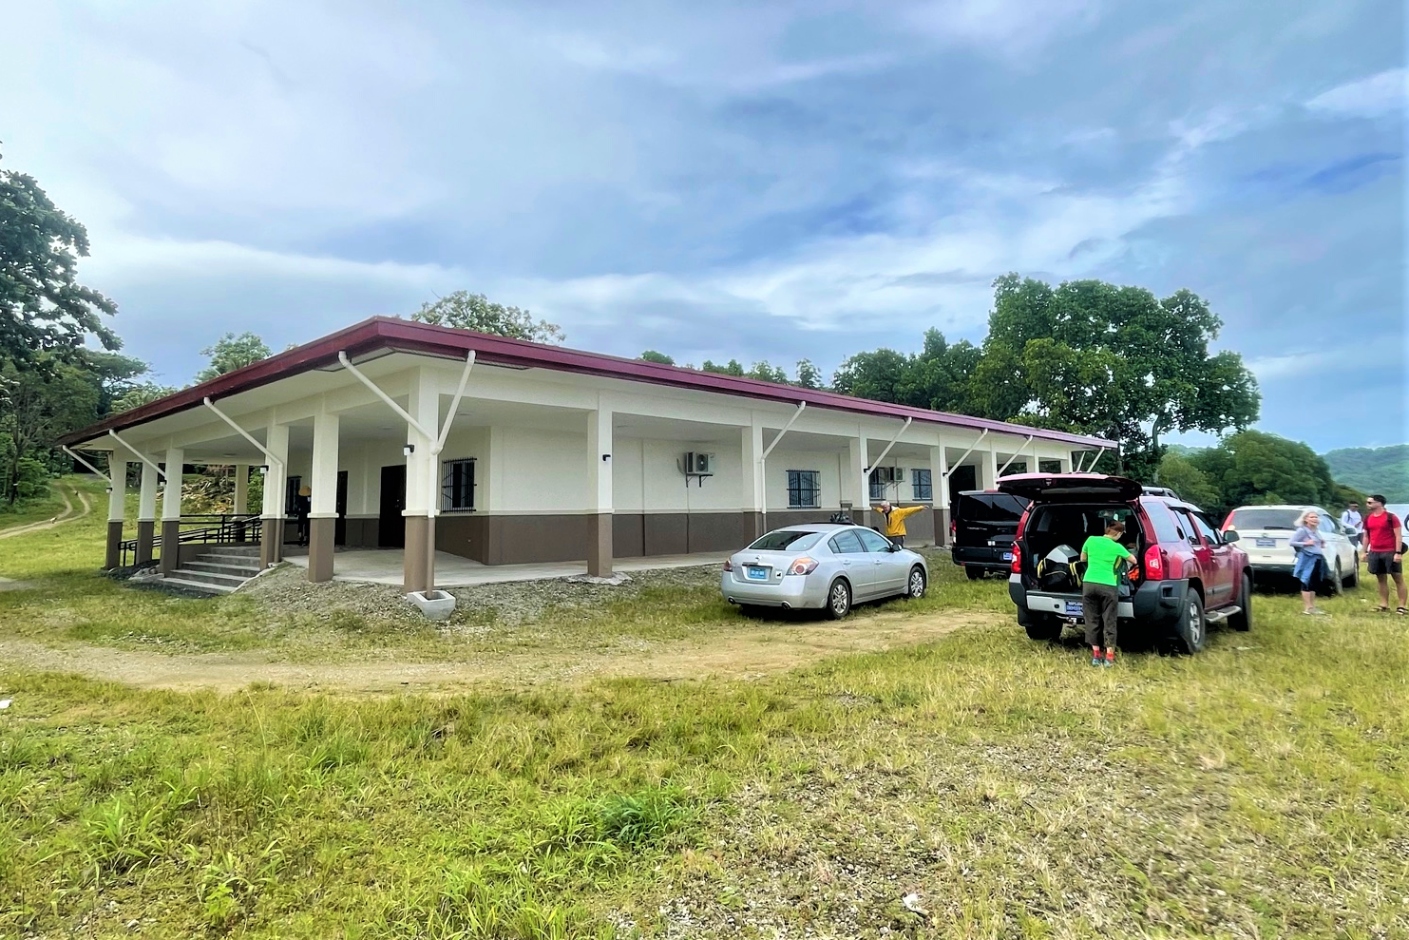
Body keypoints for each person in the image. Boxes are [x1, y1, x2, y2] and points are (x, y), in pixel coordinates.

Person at [1081, 521, 1134, 667]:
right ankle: (1109, 657)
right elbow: (1133, 560)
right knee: (1109, 620)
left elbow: (1082, 559)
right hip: (1108, 585)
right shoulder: (1117, 547)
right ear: (1118, 534)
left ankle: (1096, 656)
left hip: (1089, 584)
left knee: (1092, 620)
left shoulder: (1090, 540)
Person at [1362, 495, 1406, 614]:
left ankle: (1402, 606)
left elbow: (1398, 535)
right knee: (1380, 578)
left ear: (1379, 503)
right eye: (1367, 502)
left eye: (1370, 502)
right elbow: (1366, 536)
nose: (1367, 505)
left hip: (1390, 551)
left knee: (1397, 578)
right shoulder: (1368, 518)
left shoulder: (1391, 517)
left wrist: (1397, 552)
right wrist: (1364, 551)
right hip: (1375, 552)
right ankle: (1383, 605)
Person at [1289, 510, 1327, 616]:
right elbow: (1292, 542)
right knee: (1306, 581)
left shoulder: (1316, 531)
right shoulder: (1302, 530)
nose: (1314, 519)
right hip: (1307, 559)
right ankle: (1307, 607)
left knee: (1314, 582)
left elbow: (1316, 544)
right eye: (1311, 517)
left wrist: (1321, 543)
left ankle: (1312, 607)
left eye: (1316, 517)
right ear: (1305, 519)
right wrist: (1305, 543)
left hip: (1317, 558)